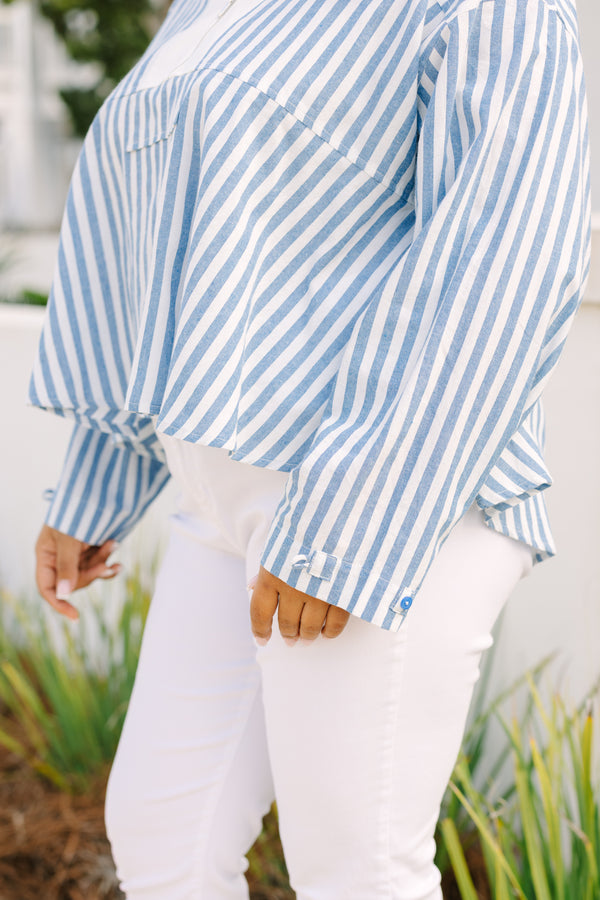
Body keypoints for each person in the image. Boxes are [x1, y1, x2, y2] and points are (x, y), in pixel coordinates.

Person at [31, 0, 591, 896]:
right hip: (219, 499)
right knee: (162, 840)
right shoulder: (202, 11)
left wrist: (349, 524)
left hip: (389, 497)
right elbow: (161, 255)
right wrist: (97, 482)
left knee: (355, 871)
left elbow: (504, 263)